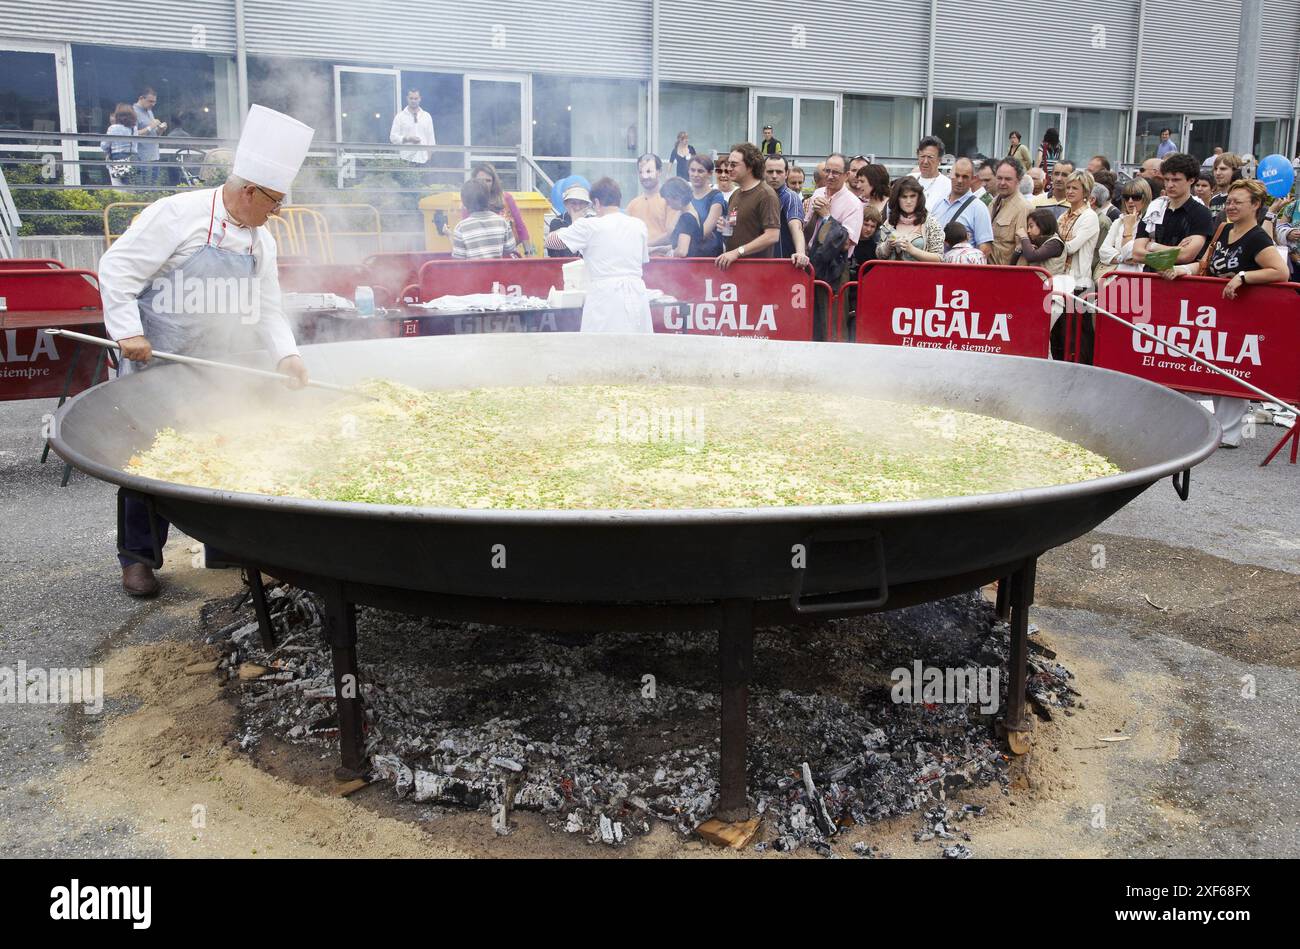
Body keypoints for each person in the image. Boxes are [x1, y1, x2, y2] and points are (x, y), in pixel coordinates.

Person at [98, 104, 313, 596]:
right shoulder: (177, 215)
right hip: (158, 357)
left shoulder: (262, 241)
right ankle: (138, 559)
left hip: (220, 361)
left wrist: (287, 354)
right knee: (147, 457)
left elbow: (267, 307)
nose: (276, 212)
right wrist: (128, 331)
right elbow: (116, 270)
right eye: (274, 201)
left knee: (227, 442)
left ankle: (222, 544)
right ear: (249, 190)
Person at [1161, 178, 1290, 448]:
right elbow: (1207, 264)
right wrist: (1182, 270)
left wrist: (1243, 276)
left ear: (1255, 205)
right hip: (1215, 311)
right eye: (1229, 201)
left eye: (1238, 203)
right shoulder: (1222, 228)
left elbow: (1280, 271)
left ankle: (1229, 434)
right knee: (1211, 365)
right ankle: (1211, 428)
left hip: (1242, 312)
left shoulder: (1258, 238)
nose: (1230, 206)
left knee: (1235, 367)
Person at [543, 177, 652, 333]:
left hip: (605, 297)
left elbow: (551, 241)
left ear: (597, 203)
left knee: (601, 350)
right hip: (637, 295)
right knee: (637, 348)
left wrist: (569, 227)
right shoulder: (638, 225)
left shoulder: (589, 225)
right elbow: (643, 260)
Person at [1132, 153, 1215, 271]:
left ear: (1191, 180)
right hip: (1150, 278)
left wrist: (1152, 246)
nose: (1170, 185)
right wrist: (1175, 250)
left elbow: (1186, 255)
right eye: (1166, 179)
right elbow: (1136, 253)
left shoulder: (1201, 213)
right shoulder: (1154, 209)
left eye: (1176, 180)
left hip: (1182, 282)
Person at [716, 142, 781, 270]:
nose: (729, 168)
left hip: (756, 272)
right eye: (729, 164)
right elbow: (740, 229)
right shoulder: (735, 194)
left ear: (750, 167)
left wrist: (737, 252)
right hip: (734, 270)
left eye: (734, 165)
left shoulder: (766, 195)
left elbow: (772, 235)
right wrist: (725, 227)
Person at [933, 157, 993, 260]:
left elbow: (985, 249)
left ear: (973, 179)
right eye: (957, 175)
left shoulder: (979, 208)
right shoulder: (939, 203)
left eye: (965, 177)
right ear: (950, 175)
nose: (960, 180)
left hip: (961, 272)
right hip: (935, 269)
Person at [466, 162, 530, 252]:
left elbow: (520, 226)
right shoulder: (469, 203)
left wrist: (529, 253)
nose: (484, 184)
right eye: (481, 181)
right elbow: (467, 234)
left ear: (494, 182)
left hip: (507, 255)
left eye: (488, 180)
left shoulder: (506, 198)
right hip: (481, 255)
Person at [878, 176, 943, 262]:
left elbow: (939, 258)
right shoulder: (889, 222)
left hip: (920, 274)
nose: (908, 201)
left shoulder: (931, 223)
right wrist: (887, 246)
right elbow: (879, 254)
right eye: (904, 197)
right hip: (892, 273)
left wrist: (912, 250)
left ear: (919, 198)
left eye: (912, 196)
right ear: (897, 199)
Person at [1096, 177, 1152, 276]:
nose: (1130, 201)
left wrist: (1128, 228)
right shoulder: (1119, 221)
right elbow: (1103, 251)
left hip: (1142, 279)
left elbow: (1132, 254)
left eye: (1136, 197)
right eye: (1126, 197)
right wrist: (1122, 259)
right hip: (1119, 278)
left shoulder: (1151, 223)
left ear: (1146, 198)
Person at [1056, 169, 1100, 292]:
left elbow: (1071, 248)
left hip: (1078, 282)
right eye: (1068, 187)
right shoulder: (1063, 215)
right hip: (1060, 277)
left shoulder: (1090, 216)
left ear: (1085, 192)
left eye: (1074, 188)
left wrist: (1047, 248)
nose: (1069, 191)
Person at [453, 179, 519, 259]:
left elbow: (459, 259)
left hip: (473, 271)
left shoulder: (461, 227)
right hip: (498, 271)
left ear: (464, 204)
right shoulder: (501, 222)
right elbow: (510, 250)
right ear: (488, 199)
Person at [763, 155, 810, 266]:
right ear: (763, 172)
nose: (774, 176)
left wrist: (800, 253)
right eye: (770, 172)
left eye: (779, 172)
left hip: (782, 266)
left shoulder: (790, 197)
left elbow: (796, 226)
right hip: (758, 264)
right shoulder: (758, 195)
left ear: (786, 174)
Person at [627, 153, 679, 249]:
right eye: (641, 172)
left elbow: (672, 235)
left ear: (659, 172)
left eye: (649, 171)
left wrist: (646, 245)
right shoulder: (632, 205)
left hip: (662, 260)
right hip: (637, 260)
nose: (644, 176)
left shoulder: (670, 201)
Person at [988, 157, 1031, 266]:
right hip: (988, 271)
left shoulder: (1023, 207)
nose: (1002, 183)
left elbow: (1022, 249)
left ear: (1019, 180)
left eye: (1008, 179)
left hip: (1006, 275)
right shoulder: (993, 203)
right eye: (999, 178)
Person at [687, 154, 729, 257]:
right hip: (687, 257)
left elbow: (704, 231)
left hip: (710, 257)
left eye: (700, 171)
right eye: (692, 170)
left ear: (710, 173)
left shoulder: (716, 196)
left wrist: (683, 236)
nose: (695, 174)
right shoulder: (685, 196)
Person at [546, 183, 595, 258]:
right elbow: (553, 252)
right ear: (566, 204)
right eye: (573, 203)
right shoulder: (557, 221)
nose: (577, 207)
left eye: (581, 203)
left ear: (587, 205)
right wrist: (575, 222)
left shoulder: (593, 221)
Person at [1015, 207, 1067, 277]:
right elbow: (1013, 264)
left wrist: (1024, 237)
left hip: (1049, 285)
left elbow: (1031, 257)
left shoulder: (1055, 243)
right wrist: (1018, 250)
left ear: (1043, 225)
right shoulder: (1038, 241)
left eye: (1031, 226)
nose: (1028, 231)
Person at [660, 176, 704, 257]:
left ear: (677, 197)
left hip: (688, 267)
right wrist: (654, 249)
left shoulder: (687, 218)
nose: (667, 204)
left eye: (667, 200)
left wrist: (670, 254)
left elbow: (682, 251)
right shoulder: (688, 213)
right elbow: (675, 244)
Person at [389, 89, 436, 165]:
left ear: (420, 99)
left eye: (416, 98)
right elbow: (393, 137)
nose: (413, 101)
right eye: (411, 98)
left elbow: (431, 138)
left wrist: (429, 158)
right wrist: (408, 139)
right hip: (405, 159)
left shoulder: (427, 116)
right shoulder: (400, 116)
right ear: (407, 98)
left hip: (423, 160)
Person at [132, 87, 166, 186]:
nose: (153, 104)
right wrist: (151, 127)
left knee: (153, 188)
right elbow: (132, 134)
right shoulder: (133, 112)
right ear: (141, 98)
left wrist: (160, 130)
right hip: (141, 158)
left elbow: (154, 134)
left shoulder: (149, 111)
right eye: (150, 101)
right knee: (143, 190)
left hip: (154, 156)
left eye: (154, 102)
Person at [101, 103, 138, 188]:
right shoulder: (134, 129)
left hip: (117, 159)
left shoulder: (113, 128)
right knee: (131, 186)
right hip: (132, 159)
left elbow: (104, 145)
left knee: (118, 186)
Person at [912, 135, 951, 210]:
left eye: (930, 157)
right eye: (922, 156)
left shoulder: (948, 186)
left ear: (939, 160)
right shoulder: (910, 179)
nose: (925, 161)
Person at [1209, 152, 1242, 217]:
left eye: (1223, 169)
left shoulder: (1243, 199)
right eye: (1215, 169)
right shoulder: (1214, 200)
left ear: (1235, 171)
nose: (1217, 173)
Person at [852, 206, 884, 271]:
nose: (869, 229)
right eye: (866, 225)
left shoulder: (874, 248)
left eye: (872, 226)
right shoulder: (850, 241)